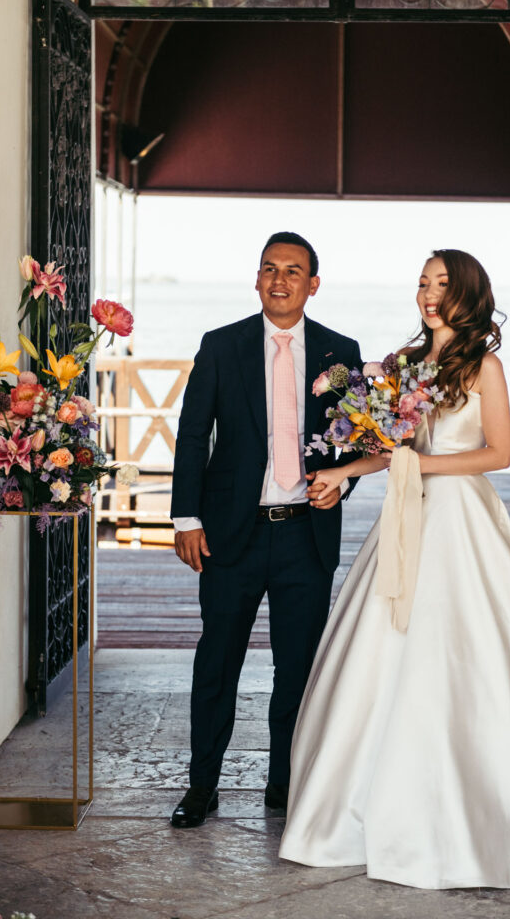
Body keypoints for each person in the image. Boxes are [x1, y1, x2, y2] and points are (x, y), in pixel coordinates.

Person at [279, 249, 510, 889]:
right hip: (408, 515)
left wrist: (419, 467)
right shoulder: (406, 366)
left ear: (468, 294)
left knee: (464, 647)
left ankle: (489, 805)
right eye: (422, 283)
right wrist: (346, 469)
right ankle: (353, 809)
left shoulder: (483, 364)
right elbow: (393, 451)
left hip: (461, 517)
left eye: (442, 283)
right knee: (377, 646)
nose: (429, 294)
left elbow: (500, 451)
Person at [169, 232, 363, 828]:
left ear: (313, 283)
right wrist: (186, 517)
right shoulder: (221, 346)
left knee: (297, 669)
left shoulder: (341, 350)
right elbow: (193, 433)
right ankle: (202, 786)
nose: (280, 280)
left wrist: (343, 484)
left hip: (306, 535)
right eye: (270, 269)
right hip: (232, 535)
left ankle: (286, 783)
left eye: (294, 271)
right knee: (217, 663)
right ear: (257, 280)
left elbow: (355, 437)